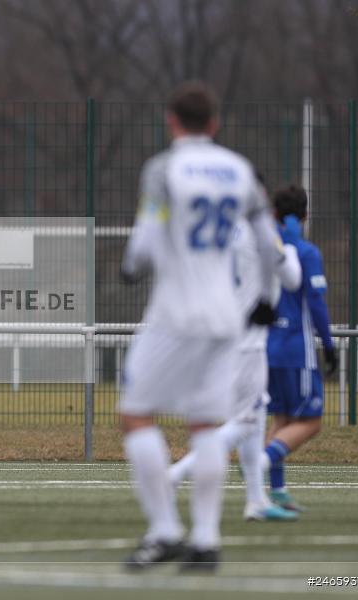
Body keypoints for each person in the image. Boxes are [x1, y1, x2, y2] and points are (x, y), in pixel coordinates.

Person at [119, 82, 285, 571]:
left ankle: (166, 529)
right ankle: (207, 540)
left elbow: (146, 239)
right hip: (226, 316)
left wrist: (130, 266)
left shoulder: (164, 168)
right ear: (214, 124)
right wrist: (267, 302)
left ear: (171, 121)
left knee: (136, 414)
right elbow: (269, 243)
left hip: (175, 313)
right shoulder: (239, 171)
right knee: (206, 425)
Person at [168, 186, 303, 522]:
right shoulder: (261, 233)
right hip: (249, 342)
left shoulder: (217, 233)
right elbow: (292, 279)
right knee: (244, 421)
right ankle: (176, 474)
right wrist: (291, 248)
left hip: (218, 334)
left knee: (255, 416)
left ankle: (256, 500)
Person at [263, 184, 337, 512]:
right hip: (297, 349)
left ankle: (275, 492)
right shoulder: (306, 252)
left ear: (274, 214)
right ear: (306, 215)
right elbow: (316, 304)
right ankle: (261, 463)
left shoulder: (267, 250)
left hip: (267, 348)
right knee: (310, 421)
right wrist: (330, 345)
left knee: (281, 419)